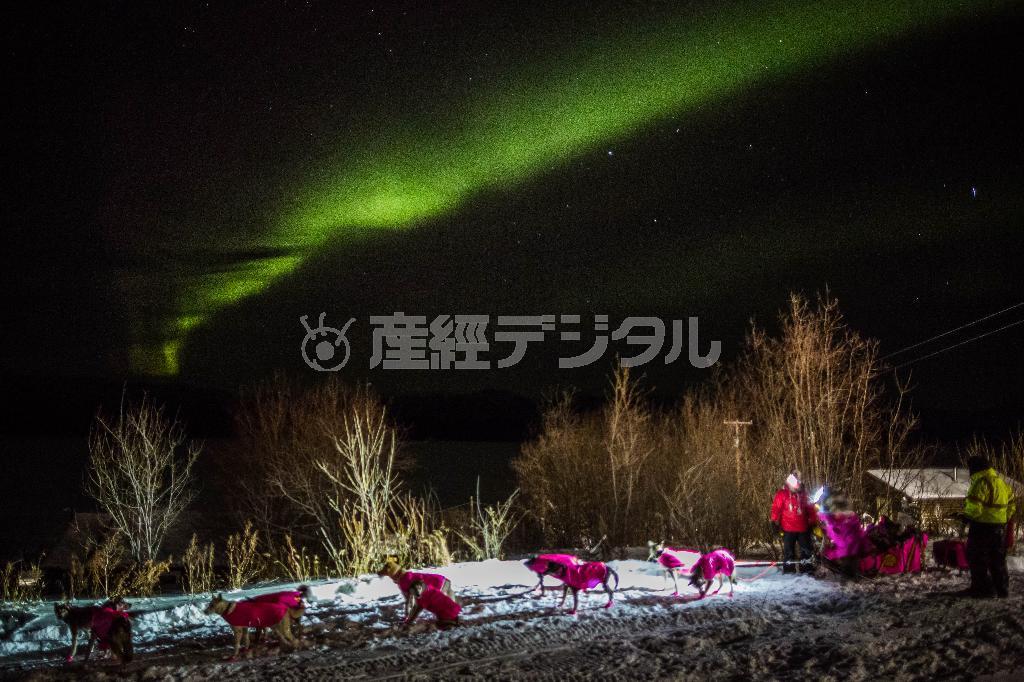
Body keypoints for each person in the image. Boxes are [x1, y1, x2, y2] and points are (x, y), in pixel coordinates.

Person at [956, 455, 1016, 598]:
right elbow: (1012, 505)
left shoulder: (980, 483)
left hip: (981, 527)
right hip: (999, 527)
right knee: (997, 558)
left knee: (977, 558)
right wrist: (1003, 518)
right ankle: (1002, 589)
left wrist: (965, 516)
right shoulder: (1002, 483)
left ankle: (981, 589)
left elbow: (974, 509)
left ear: (975, 468)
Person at [771, 469, 818, 574]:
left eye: (797, 485)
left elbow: (811, 508)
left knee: (806, 551)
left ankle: (806, 570)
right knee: (789, 552)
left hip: (803, 528)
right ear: (789, 484)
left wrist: (813, 522)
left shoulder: (804, 494)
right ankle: (789, 571)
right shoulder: (782, 494)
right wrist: (774, 521)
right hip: (788, 528)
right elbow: (776, 508)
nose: (795, 488)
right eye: (793, 485)